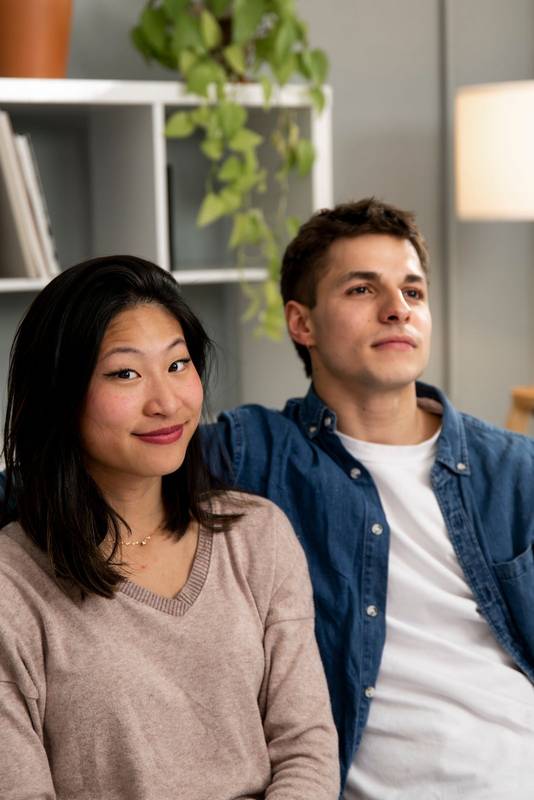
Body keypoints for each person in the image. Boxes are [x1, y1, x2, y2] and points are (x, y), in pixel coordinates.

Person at [203, 198, 534, 798]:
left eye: (413, 292)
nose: (396, 310)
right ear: (301, 323)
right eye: (362, 290)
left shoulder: (514, 469)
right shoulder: (254, 453)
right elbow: (55, 479)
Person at [0, 255, 339, 800]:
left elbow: (305, 746)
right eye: (125, 373)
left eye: (178, 365)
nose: (167, 402)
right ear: (60, 397)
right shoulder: (12, 586)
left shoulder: (258, 536)